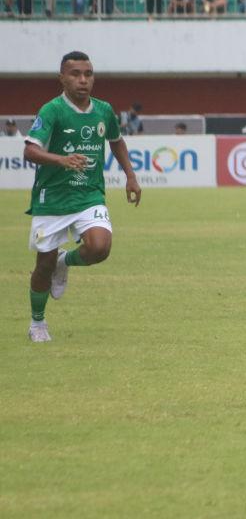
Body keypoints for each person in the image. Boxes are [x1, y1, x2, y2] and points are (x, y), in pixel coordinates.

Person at [21, 51, 142, 342]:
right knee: (43, 265)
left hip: (89, 195)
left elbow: (116, 142)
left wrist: (130, 175)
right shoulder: (52, 111)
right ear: (61, 78)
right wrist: (61, 160)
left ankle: (66, 262)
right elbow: (29, 150)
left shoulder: (103, 110)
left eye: (88, 74)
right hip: (52, 200)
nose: (83, 80)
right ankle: (37, 323)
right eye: (75, 74)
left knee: (100, 247)